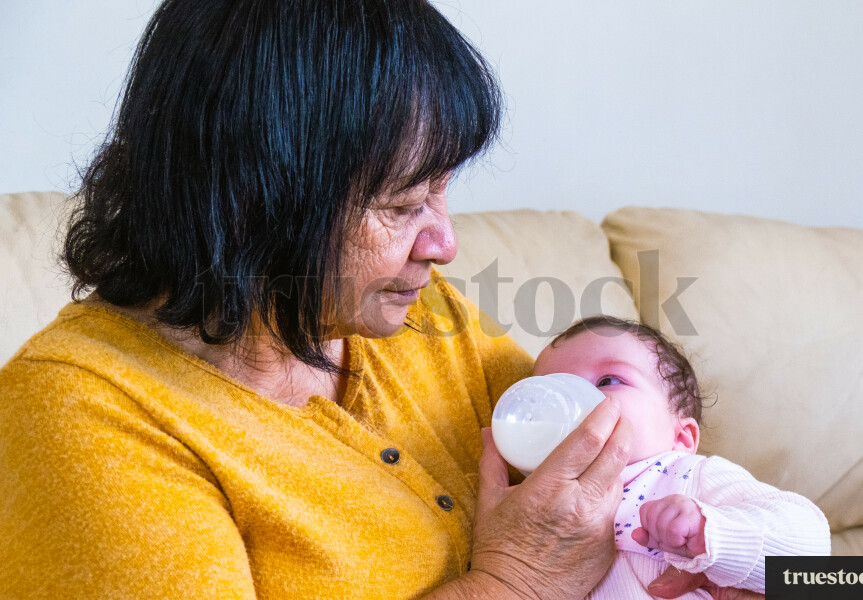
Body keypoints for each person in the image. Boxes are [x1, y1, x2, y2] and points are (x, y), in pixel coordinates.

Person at [0, 1, 639, 598]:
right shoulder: (80, 413)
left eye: (442, 188)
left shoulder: (416, 311)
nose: (444, 244)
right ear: (255, 198)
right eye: (402, 204)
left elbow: (623, 466)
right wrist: (514, 584)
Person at [531, 315, 832, 600]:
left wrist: (711, 533)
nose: (574, 400)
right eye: (551, 393)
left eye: (608, 380)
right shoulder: (529, 502)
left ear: (681, 438)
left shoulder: (687, 476)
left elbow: (810, 553)